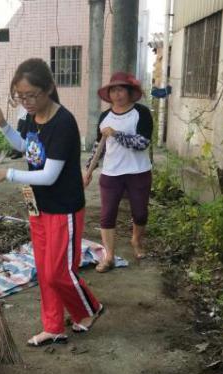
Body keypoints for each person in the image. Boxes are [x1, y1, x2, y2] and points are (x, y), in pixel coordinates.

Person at [0, 58, 103, 345]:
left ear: (49, 88)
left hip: (63, 207)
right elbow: (27, 147)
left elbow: (49, 174)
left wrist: (8, 174)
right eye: (20, 96)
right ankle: (53, 326)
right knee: (44, 270)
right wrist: (3, 124)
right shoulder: (30, 118)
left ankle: (88, 309)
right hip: (37, 205)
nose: (26, 101)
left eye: (31, 95)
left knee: (58, 271)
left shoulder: (63, 123)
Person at [84, 72, 153, 273]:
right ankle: (109, 256)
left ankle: (136, 241)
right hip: (111, 173)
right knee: (107, 215)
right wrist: (88, 170)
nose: (117, 94)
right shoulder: (105, 117)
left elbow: (142, 143)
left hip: (138, 171)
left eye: (121, 89)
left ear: (130, 92)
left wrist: (116, 133)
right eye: (113, 90)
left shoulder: (141, 113)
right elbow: (100, 147)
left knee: (140, 213)